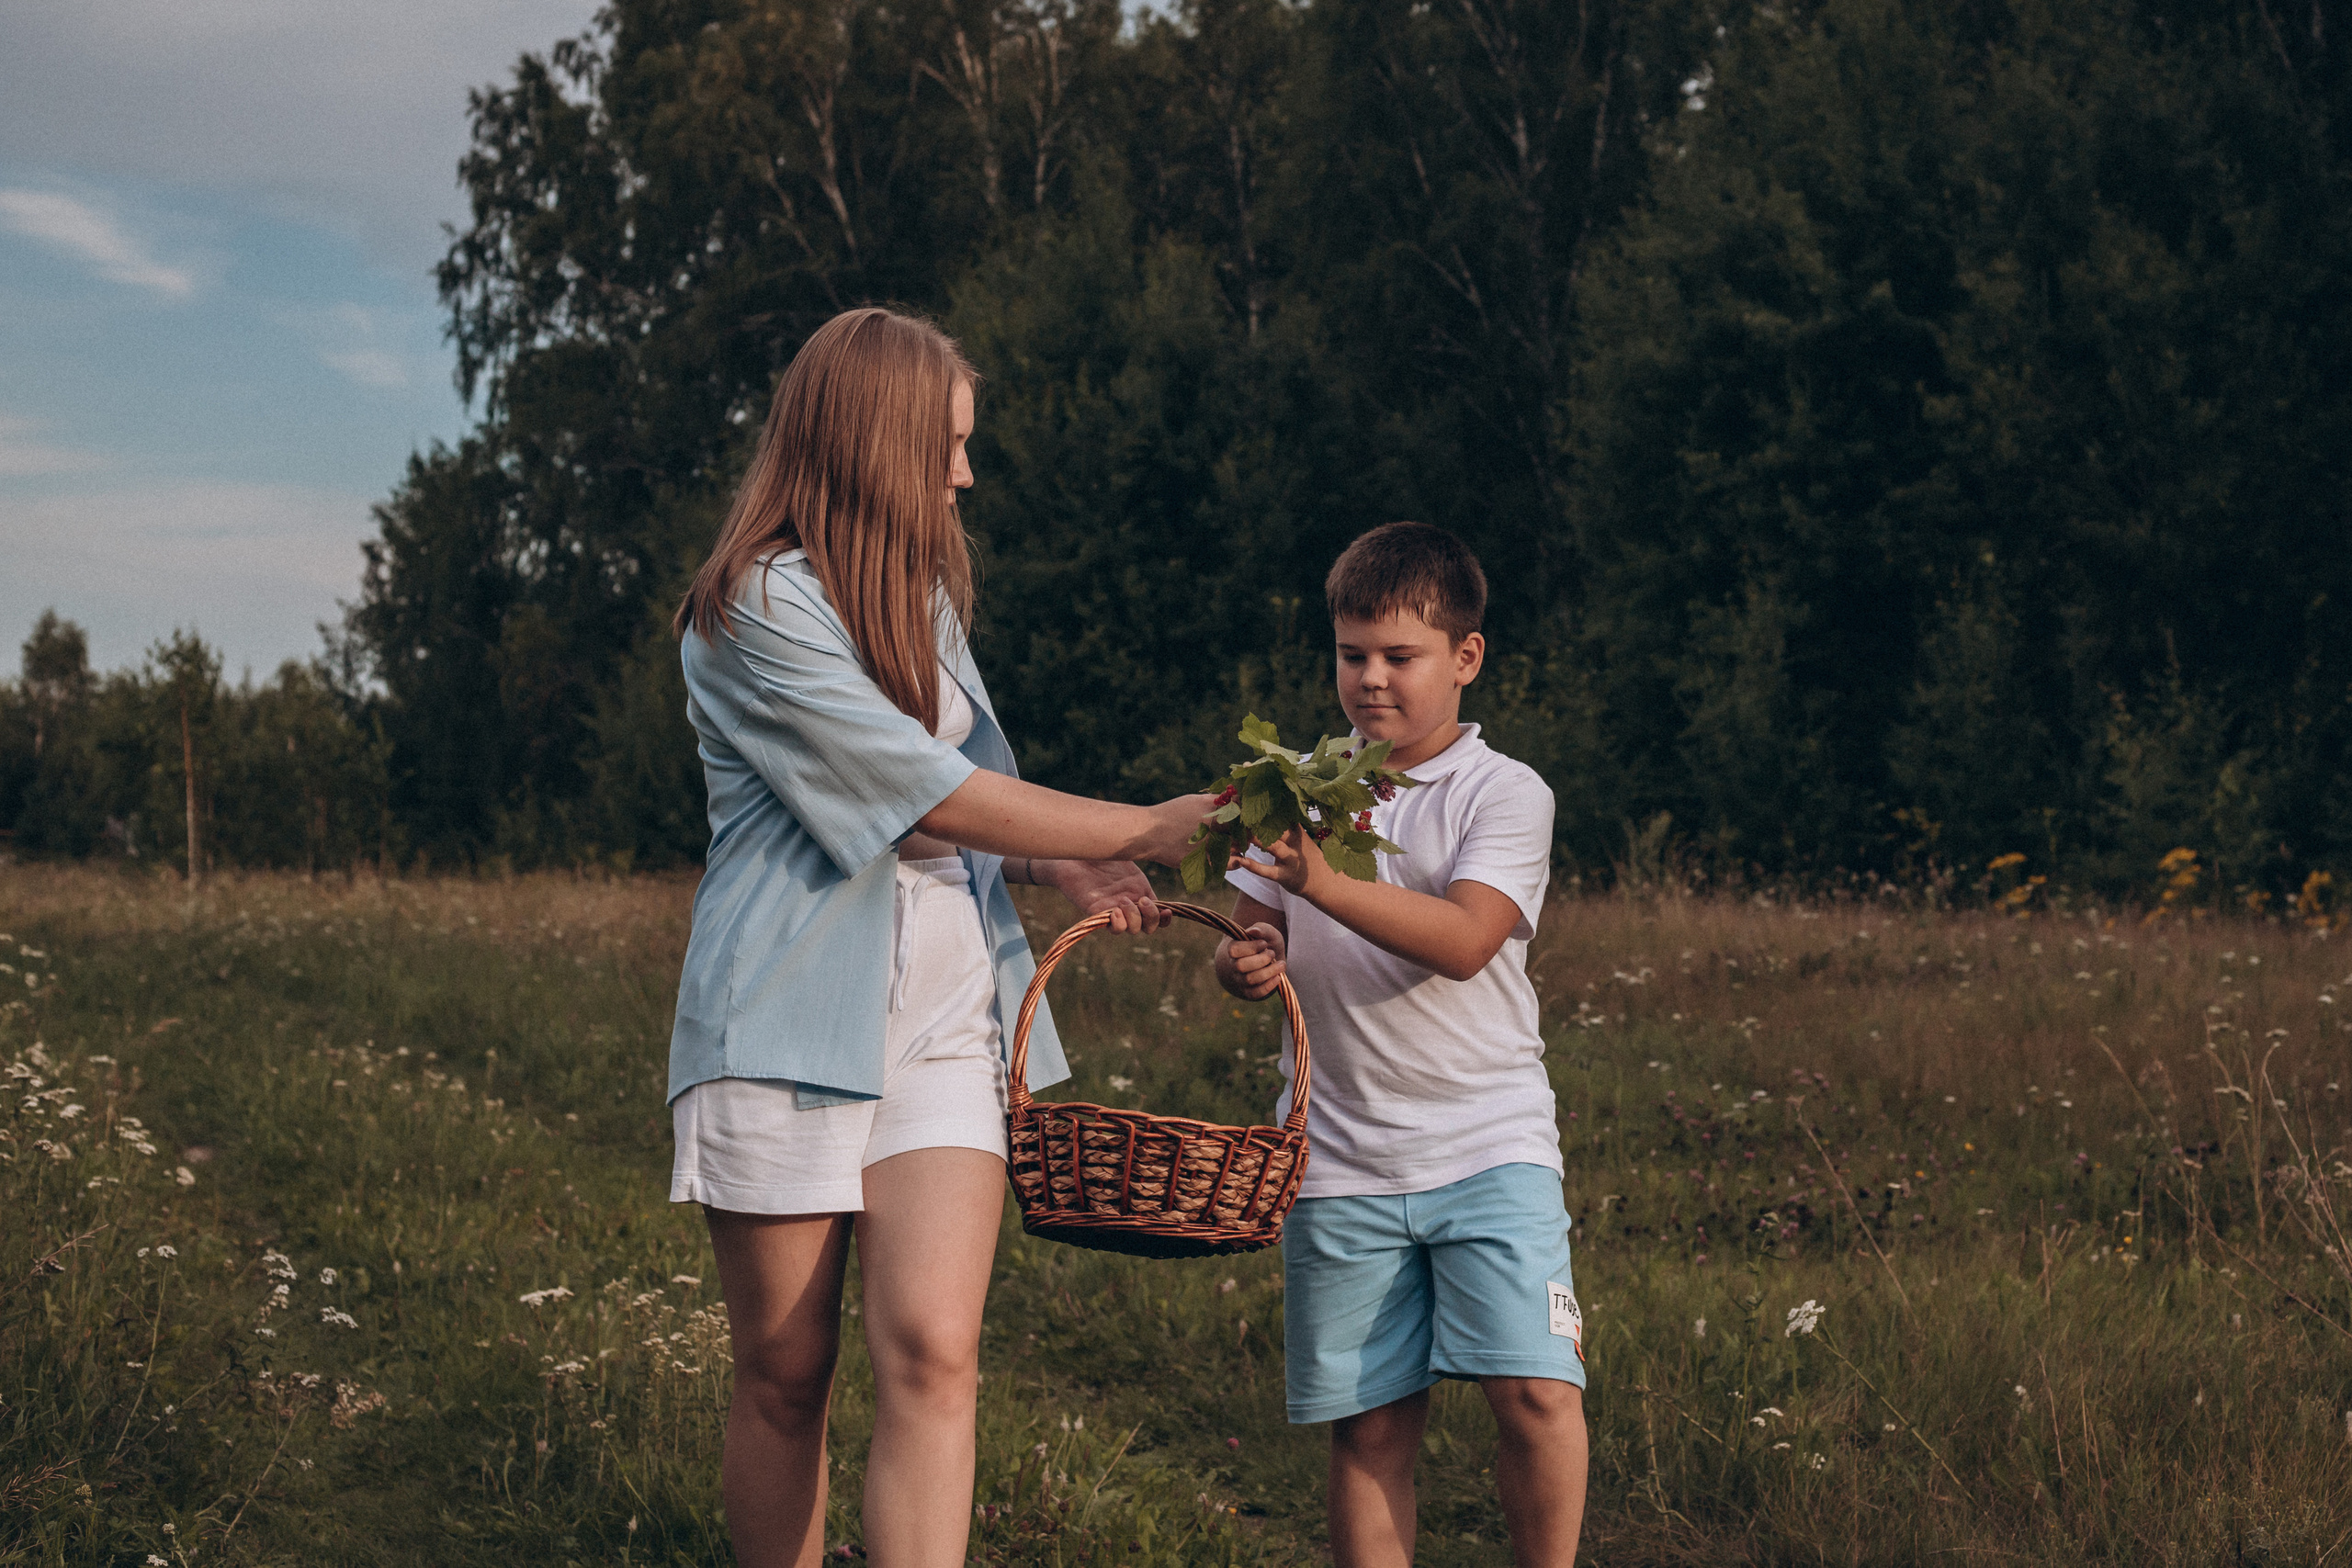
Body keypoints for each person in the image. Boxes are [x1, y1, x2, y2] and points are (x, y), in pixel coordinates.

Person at [666, 306, 1208, 1568]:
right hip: (783, 1020)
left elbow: (965, 799)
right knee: (787, 1369)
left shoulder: (919, 600)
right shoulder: (749, 608)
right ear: (873, 443)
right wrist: (1143, 818)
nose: (965, 474)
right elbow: (915, 790)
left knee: (936, 1352)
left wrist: (1061, 850)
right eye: (948, 446)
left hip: (945, 1020)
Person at [1212, 521, 1588, 1567]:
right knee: (1371, 1426)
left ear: (1466, 658)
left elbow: (1466, 940)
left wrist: (1326, 881)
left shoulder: (1502, 793)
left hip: (1489, 1142)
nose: (1370, 681)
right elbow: (1251, 940)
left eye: (1399, 657)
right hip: (1337, 1157)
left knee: (1535, 1393)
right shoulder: (1290, 788)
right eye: (1350, 655)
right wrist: (1241, 965)